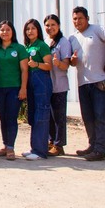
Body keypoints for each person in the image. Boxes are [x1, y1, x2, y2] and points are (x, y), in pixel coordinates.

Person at [69, 6, 105, 161]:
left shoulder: (98, 30)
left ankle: (100, 149)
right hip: (83, 82)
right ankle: (92, 145)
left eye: (80, 18)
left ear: (87, 18)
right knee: (88, 117)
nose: (77, 21)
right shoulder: (73, 38)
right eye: (75, 19)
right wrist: (72, 61)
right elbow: (72, 62)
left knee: (101, 116)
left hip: (100, 81)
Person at [0, 20, 28, 161]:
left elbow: (24, 70)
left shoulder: (19, 48)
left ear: (12, 32)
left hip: (14, 88)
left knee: (11, 118)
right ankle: (5, 145)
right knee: (3, 118)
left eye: (8, 29)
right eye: (2, 30)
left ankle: (11, 147)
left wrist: (23, 88)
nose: (5, 32)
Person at [22, 18, 53, 160]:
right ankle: (34, 147)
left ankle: (40, 151)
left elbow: (49, 65)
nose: (30, 31)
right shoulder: (27, 47)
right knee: (33, 115)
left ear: (38, 30)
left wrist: (37, 64)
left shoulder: (42, 46)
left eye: (33, 28)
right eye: (28, 29)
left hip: (41, 81)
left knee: (41, 114)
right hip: (31, 82)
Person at [44, 14, 72, 156]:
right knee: (49, 116)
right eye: (47, 25)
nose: (50, 28)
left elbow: (66, 65)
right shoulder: (45, 42)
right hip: (47, 85)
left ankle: (59, 145)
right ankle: (51, 142)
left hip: (59, 85)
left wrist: (58, 63)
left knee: (58, 117)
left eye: (53, 25)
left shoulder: (63, 42)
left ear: (59, 26)